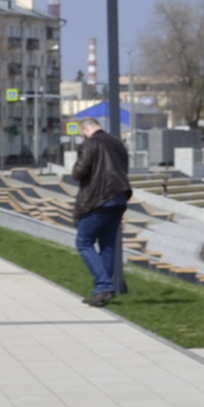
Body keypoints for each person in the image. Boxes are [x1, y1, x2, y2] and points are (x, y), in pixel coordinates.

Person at [70, 117, 132, 308]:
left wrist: (75, 168)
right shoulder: (117, 143)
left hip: (97, 200)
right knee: (108, 245)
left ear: (86, 129)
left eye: (82, 133)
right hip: (119, 198)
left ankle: (104, 285)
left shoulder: (90, 143)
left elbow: (80, 171)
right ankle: (101, 292)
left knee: (83, 242)